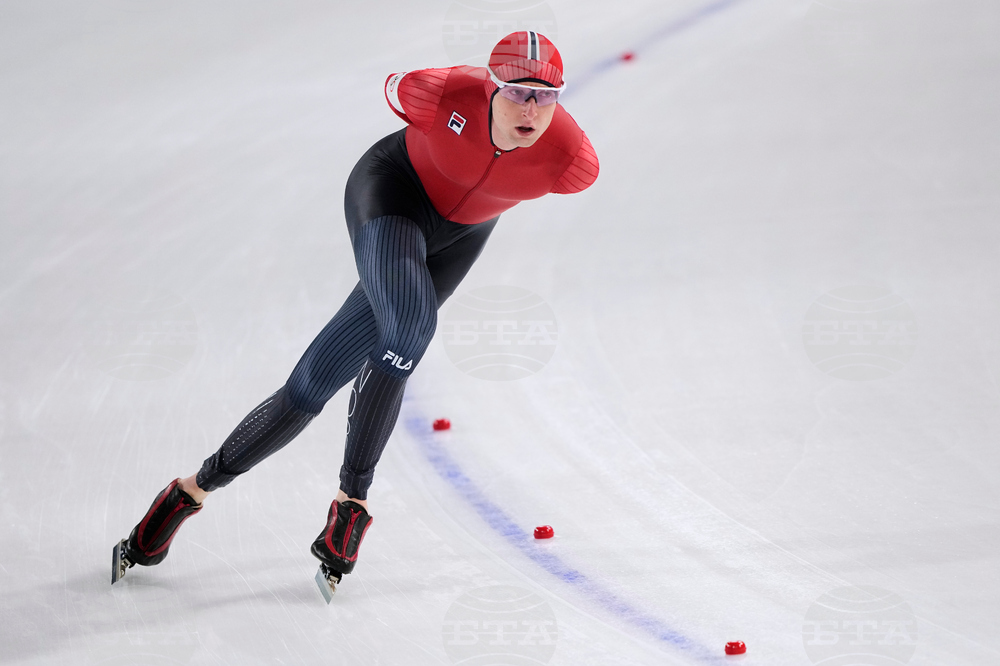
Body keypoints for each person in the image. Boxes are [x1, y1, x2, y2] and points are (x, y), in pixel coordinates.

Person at [112, 31, 599, 590]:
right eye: (517, 92)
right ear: (491, 86)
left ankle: (186, 493)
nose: (532, 109)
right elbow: (395, 86)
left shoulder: (571, 159)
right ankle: (354, 502)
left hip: (459, 239)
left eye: (547, 96)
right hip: (391, 194)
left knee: (310, 388)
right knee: (410, 328)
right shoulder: (440, 94)